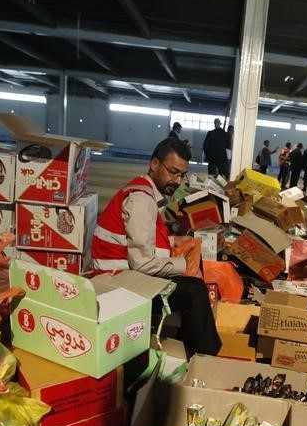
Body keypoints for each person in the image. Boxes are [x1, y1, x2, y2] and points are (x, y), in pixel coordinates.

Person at [90, 138, 222, 357]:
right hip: (117, 285)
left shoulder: (145, 191)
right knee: (195, 291)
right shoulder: (142, 201)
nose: (177, 181)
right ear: (154, 165)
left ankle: (188, 350)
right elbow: (142, 263)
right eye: (172, 172)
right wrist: (184, 264)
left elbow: (138, 238)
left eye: (181, 175)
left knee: (191, 287)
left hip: (123, 276)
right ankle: (205, 357)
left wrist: (173, 241)